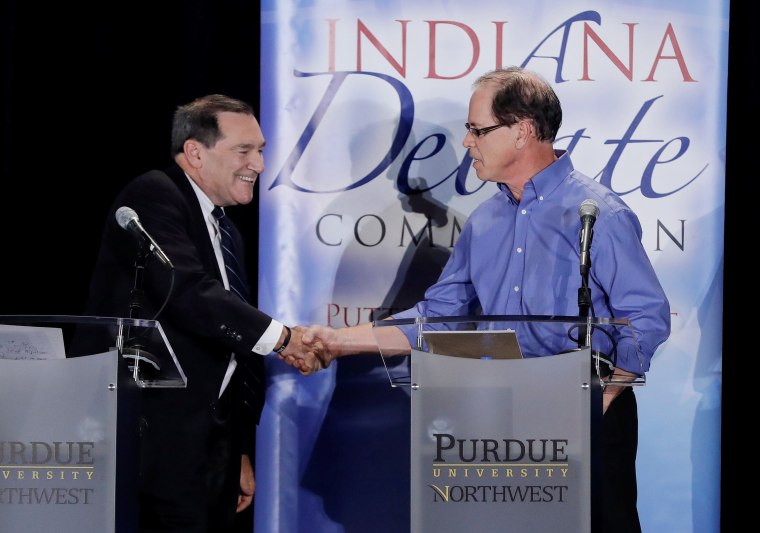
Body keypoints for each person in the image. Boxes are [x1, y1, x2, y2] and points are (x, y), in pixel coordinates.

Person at [282, 67, 671, 532]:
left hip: (586, 409)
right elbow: (436, 319)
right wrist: (335, 341)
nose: (467, 142)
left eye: (477, 129)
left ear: (523, 131)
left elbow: (646, 318)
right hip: (502, 413)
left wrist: (601, 401)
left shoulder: (598, 214)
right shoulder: (485, 221)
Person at [77, 94, 311, 532]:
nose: (259, 165)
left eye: (260, 151)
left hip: (213, 449)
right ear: (195, 152)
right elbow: (185, 290)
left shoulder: (227, 231)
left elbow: (228, 346)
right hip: (154, 445)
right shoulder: (153, 196)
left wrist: (239, 448)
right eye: (245, 151)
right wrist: (285, 339)